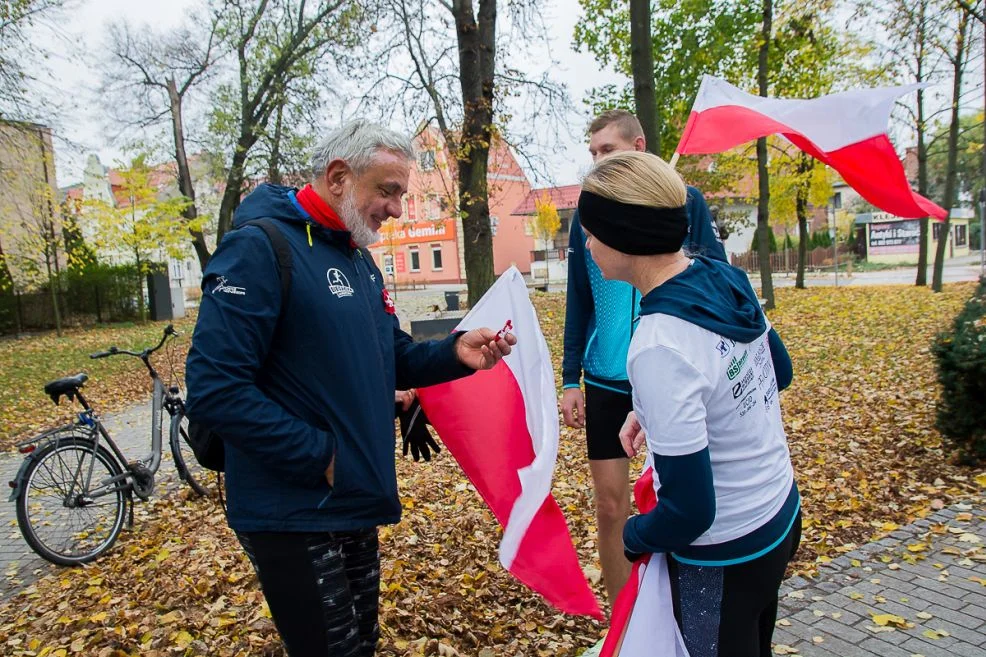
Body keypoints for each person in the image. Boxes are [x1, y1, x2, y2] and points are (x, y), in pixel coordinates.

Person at [184, 119, 516, 657]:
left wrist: (455, 353)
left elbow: (393, 357)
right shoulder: (260, 248)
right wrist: (319, 454)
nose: (396, 208)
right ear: (339, 177)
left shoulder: (357, 260)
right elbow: (213, 387)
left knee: (360, 644)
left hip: (351, 498)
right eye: (387, 191)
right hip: (291, 506)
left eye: (401, 194)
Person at [577, 150, 799, 657]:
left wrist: (632, 536)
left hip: (724, 556)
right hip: (779, 514)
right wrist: (652, 409)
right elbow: (775, 371)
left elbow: (690, 511)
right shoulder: (722, 277)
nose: (587, 244)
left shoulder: (658, 343)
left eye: (591, 231)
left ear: (623, 236)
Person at [561, 109, 728, 605]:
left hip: (674, 373)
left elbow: (714, 277)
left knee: (680, 501)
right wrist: (571, 377)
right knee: (611, 508)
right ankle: (623, 625)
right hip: (609, 379)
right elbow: (579, 299)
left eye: (606, 151)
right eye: (591, 153)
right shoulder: (587, 217)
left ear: (638, 147)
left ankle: (680, 611)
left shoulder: (684, 202)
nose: (596, 161)